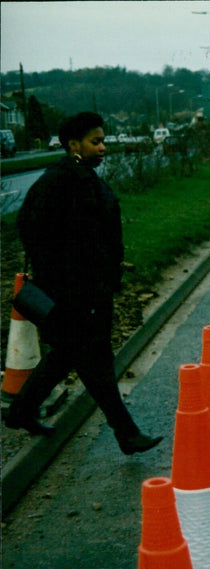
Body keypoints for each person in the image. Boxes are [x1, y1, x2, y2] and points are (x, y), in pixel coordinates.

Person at [5, 112, 162, 455]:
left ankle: (21, 412)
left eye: (103, 140)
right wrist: (66, 279)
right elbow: (31, 229)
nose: (103, 147)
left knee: (66, 357)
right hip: (74, 298)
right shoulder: (59, 181)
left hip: (91, 292)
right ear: (73, 145)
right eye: (96, 141)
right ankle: (127, 434)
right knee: (96, 366)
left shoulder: (83, 177)